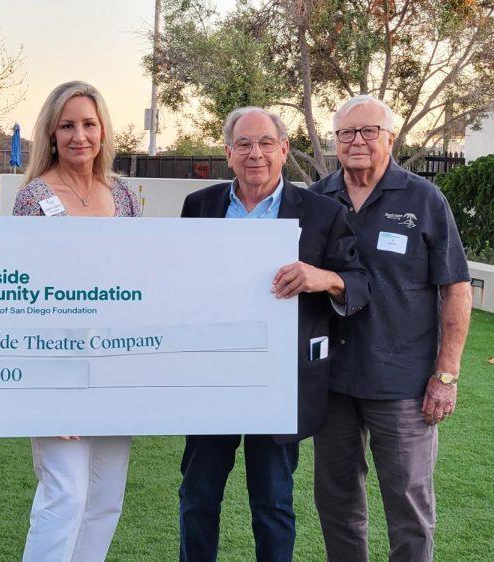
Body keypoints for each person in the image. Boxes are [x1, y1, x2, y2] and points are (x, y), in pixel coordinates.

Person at [178, 106, 370, 562]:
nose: (255, 153)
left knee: (273, 503)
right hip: (212, 378)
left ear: (284, 149)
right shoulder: (199, 206)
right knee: (198, 497)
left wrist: (322, 277)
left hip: (280, 382)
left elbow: (359, 281)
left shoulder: (323, 214)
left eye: (266, 143)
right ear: (228, 153)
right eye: (243, 144)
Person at [310, 94, 472, 562]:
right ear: (335, 140)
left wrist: (446, 375)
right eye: (346, 133)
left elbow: (456, 288)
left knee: (408, 506)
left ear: (390, 138)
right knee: (337, 504)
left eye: (368, 131)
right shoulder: (318, 198)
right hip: (332, 381)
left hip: (401, 384)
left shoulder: (423, 197)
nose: (356, 141)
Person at [12, 81, 140, 562]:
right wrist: (47, 389)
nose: (78, 135)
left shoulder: (124, 197)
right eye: (67, 125)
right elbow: (23, 295)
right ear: (50, 133)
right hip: (57, 368)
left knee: (105, 499)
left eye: (88, 124)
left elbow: (137, 282)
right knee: (65, 495)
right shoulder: (34, 198)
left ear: (103, 130)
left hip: (113, 368)